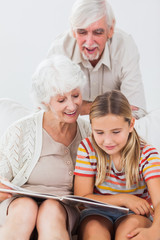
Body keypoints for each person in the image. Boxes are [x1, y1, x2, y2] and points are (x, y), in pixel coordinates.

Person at [0, 55, 91, 240]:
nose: (72, 105)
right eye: (61, 100)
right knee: (26, 208)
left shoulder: (90, 132)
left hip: (62, 207)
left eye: (75, 95)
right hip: (17, 204)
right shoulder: (21, 130)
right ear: (45, 102)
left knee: (50, 211)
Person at [74, 90, 160, 240]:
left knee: (128, 232)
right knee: (94, 231)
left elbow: (159, 200)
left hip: (134, 214)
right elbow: (82, 198)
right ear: (91, 127)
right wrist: (124, 199)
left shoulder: (147, 154)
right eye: (99, 132)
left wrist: (155, 231)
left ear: (131, 124)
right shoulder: (87, 148)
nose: (108, 141)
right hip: (96, 212)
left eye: (116, 132)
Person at [47, 0, 146, 119]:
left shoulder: (125, 46)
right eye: (82, 32)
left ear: (111, 30)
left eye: (98, 32)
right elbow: (49, 108)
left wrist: (80, 108)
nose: (89, 43)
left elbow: (136, 111)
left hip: (112, 130)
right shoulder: (60, 49)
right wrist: (109, 107)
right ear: (73, 31)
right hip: (73, 129)